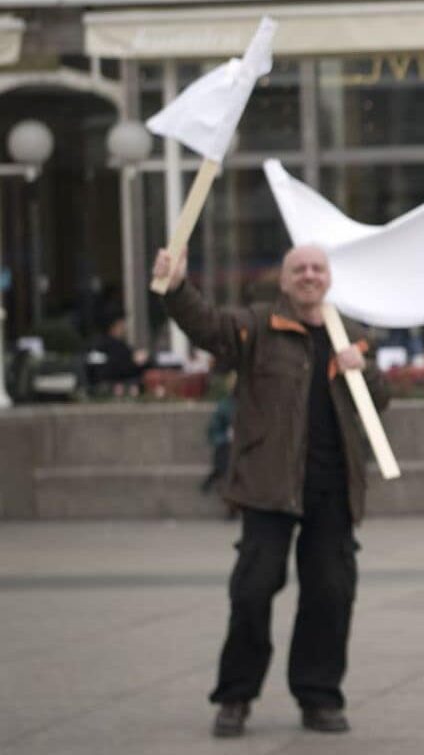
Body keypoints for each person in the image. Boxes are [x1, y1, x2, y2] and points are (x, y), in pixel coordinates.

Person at [153, 244, 388, 738]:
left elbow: (379, 401)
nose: (308, 276)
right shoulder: (259, 326)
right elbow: (208, 327)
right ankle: (235, 696)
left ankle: (319, 697)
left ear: (328, 279)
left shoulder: (353, 335)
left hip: (332, 489)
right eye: (298, 269)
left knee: (330, 593)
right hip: (268, 486)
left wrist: (362, 369)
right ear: (283, 282)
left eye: (317, 269)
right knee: (253, 592)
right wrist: (175, 287)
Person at [85, 314, 148, 395]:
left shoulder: (95, 344)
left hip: (100, 383)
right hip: (116, 383)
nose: (125, 328)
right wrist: (136, 362)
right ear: (114, 326)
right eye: (122, 324)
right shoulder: (115, 346)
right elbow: (116, 366)